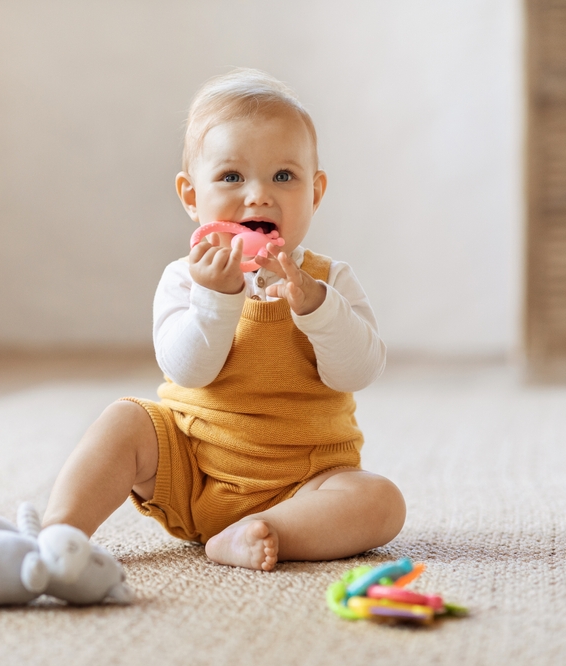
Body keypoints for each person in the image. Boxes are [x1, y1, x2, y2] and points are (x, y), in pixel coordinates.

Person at [43, 69, 406, 571]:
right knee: (124, 420)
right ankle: (57, 535)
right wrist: (217, 298)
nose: (258, 195)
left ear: (316, 193)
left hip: (304, 480)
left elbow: (359, 371)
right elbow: (188, 370)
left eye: (284, 176)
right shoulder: (184, 279)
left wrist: (315, 306)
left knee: (381, 502)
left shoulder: (329, 281)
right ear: (192, 198)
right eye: (232, 177)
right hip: (193, 467)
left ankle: (261, 532)